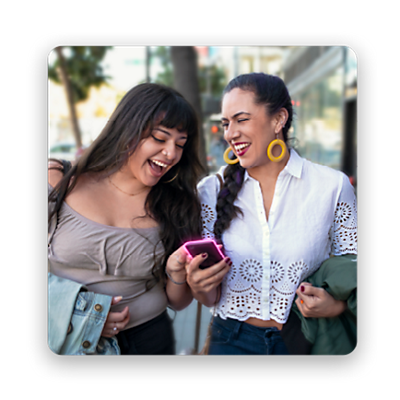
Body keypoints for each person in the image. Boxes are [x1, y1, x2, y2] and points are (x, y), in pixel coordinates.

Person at [185, 73, 358, 355]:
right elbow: (210, 297)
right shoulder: (210, 190)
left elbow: (355, 270)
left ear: (279, 119)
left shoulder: (332, 187)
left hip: (305, 341)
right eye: (226, 124)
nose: (229, 133)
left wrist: (335, 305)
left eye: (241, 120)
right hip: (229, 340)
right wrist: (198, 285)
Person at [48, 83, 206, 355]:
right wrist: (87, 315)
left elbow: (177, 302)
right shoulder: (59, 183)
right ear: (128, 131)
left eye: (180, 144)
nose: (171, 153)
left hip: (148, 341)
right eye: (159, 138)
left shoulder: (178, 206)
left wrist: (177, 274)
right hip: (64, 338)